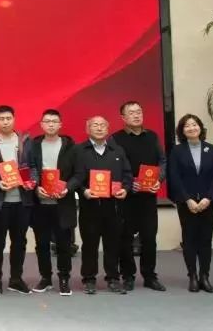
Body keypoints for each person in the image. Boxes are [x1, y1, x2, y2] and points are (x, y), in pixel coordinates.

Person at [69, 116, 131, 295]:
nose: (99, 128)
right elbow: (74, 177)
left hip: (113, 206)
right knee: (90, 244)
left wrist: (125, 189)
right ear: (87, 129)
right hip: (90, 205)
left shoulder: (117, 150)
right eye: (95, 125)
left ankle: (113, 278)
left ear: (108, 128)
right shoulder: (79, 150)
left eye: (102, 125)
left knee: (113, 244)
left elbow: (127, 174)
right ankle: (89, 279)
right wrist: (83, 191)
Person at [111, 101, 167, 292]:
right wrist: (127, 183)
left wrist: (159, 179)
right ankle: (128, 275)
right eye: (132, 112)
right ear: (123, 117)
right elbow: (112, 166)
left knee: (149, 237)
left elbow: (162, 161)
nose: (136, 115)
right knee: (125, 237)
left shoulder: (152, 136)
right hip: (126, 197)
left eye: (139, 112)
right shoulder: (115, 139)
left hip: (148, 197)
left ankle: (150, 276)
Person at [0, 105, 35, 295]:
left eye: (8, 118)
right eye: (1, 119)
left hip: (22, 201)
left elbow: (33, 167)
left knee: (19, 242)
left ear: (14, 119)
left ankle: (16, 279)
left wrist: (32, 181)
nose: (5, 122)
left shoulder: (25, 141)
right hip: (0, 202)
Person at [167, 114, 213, 293]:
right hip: (186, 203)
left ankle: (205, 276)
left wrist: (208, 198)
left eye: (194, 124)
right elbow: (174, 177)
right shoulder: (177, 151)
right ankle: (192, 276)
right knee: (189, 239)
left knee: (205, 240)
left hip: (208, 203)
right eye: (187, 126)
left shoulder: (211, 149)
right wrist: (187, 199)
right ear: (182, 131)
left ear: (200, 127)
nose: (191, 128)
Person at [28, 109, 77, 296]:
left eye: (54, 121)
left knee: (64, 244)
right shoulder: (34, 145)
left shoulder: (70, 146)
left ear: (60, 124)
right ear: (41, 124)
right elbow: (30, 169)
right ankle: (45, 278)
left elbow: (78, 173)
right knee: (41, 244)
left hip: (63, 203)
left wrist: (68, 188)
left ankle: (64, 278)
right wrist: (35, 187)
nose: (50, 124)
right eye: (47, 121)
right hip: (40, 203)